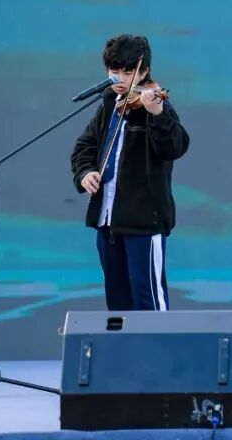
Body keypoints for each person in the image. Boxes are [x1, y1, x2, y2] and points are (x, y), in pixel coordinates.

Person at [70, 35, 190, 311]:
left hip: (143, 222)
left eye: (128, 72)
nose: (121, 78)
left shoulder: (157, 106)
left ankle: (158, 343)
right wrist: (85, 173)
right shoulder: (109, 104)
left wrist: (157, 113)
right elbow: (84, 147)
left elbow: (175, 147)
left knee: (149, 301)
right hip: (107, 221)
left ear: (144, 72)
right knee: (118, 303)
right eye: (114, 71)